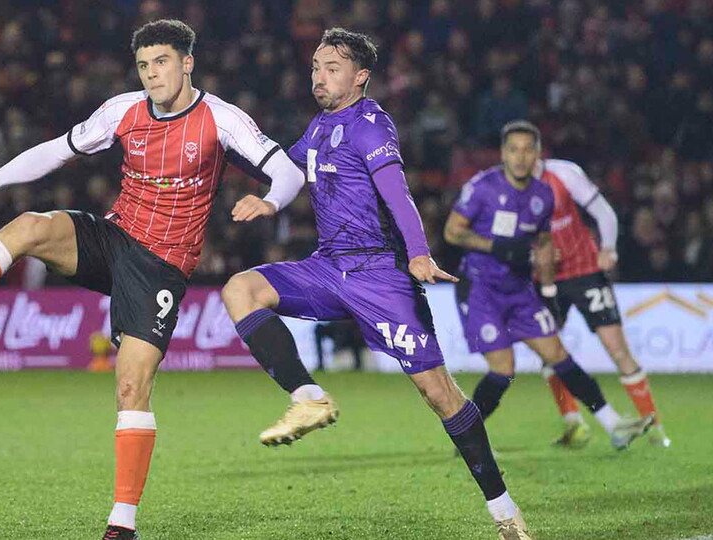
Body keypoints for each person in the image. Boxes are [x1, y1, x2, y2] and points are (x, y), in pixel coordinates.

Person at [0, 19, 306, 540]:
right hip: (113, 240)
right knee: (31, 226)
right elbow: (55, 150)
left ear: (187, 63)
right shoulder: (123, 110)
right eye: (143, 65)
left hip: (160, 265)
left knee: (129, 387)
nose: (151, 75)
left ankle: (122, 524)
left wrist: (269, 200)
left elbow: (290, 172)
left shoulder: (222, 119)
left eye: (161, 62)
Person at [222, 28, 534, 540]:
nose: (319, 77)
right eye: (316, 68)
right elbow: (286, 168)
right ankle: (310, 398)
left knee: (440, 395)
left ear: (360, 76)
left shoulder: (370, 125)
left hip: (380, 276)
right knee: (241, 288)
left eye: (332, 68)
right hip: (329, 267)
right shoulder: (321, 126)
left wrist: (417, 253)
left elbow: (398, 192)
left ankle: (504, 511)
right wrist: (249, 177)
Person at [443, 120, 654, 454]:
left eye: (528, 149)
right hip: (481, 289)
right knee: (503, 369)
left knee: (557, 354)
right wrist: (494, 247)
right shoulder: (482, 186)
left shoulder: (543, 195)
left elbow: (542, 242)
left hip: (520, 290)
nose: (521, 157)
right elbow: (452, 232)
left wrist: (550, 289)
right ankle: (468, 439)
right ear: (503, 153)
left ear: (538, 154)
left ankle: (615, 425)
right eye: (514, 150)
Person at [532, 156, 670, 448]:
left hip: (585, 272)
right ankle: (574, 425)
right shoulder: (502, 188)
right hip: (546, 278)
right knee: (548, 351)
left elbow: (603, 212)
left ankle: (654, 427)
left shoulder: (565, 174)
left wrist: (608, 248)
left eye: (528, 149)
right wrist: (534, 256)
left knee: (617, 349)